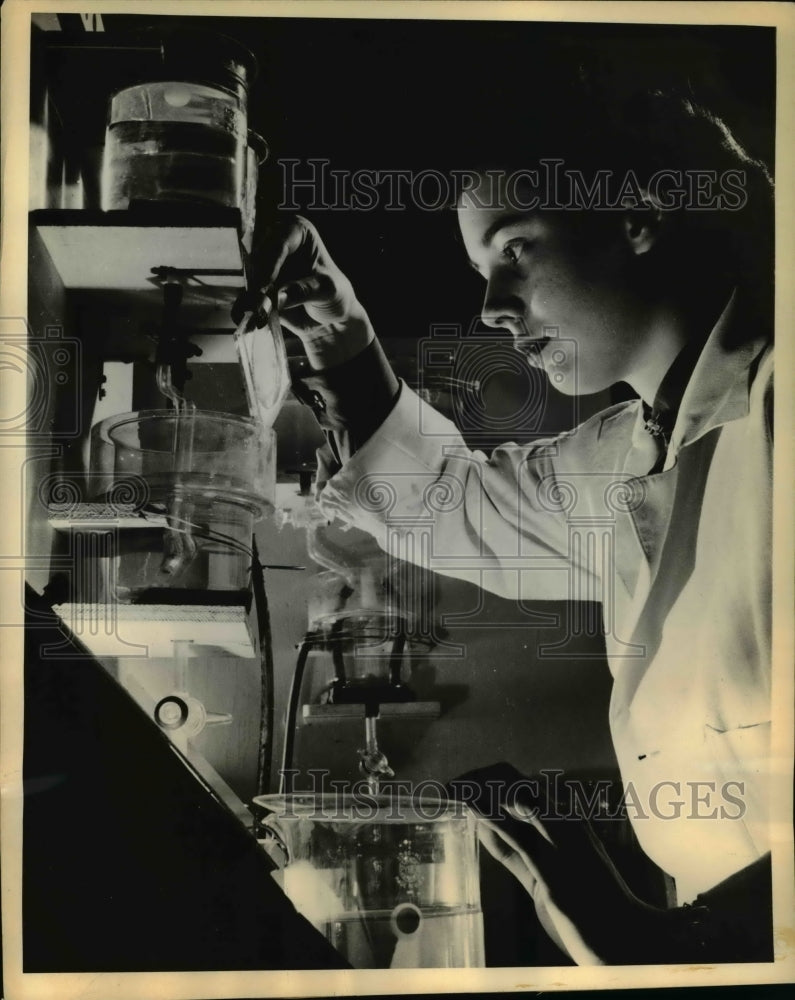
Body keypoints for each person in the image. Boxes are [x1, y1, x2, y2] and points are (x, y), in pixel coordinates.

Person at [235, 81, 775, 965]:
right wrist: (337, 331)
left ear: (637, 214)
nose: (492, 305)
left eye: (515, 249)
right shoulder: (631, 451)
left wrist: (694, 937)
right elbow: (451, 506)